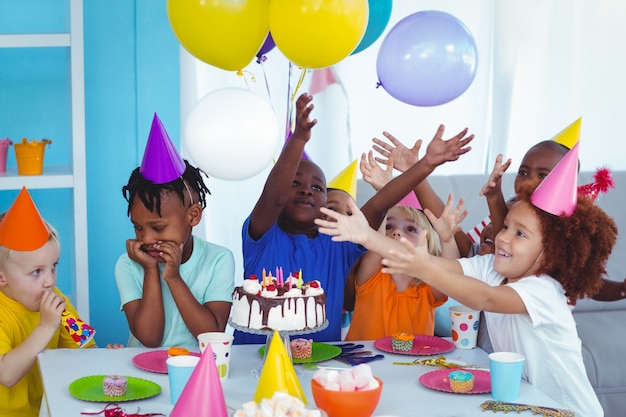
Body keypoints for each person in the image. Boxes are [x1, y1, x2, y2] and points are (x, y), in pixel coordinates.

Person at [372, 145, 615, 417]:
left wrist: (424, 266)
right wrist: (362, 234)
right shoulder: (494, 266)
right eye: (506, 227)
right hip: (530, 405)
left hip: (570, 412)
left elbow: (484, 297)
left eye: (519, 234)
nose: (502, 236)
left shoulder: (543, 290)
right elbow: (450, 267)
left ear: (552, 249)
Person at [236, 92, 474, 344]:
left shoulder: (339, 242)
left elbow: (380, 205)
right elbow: (273, 197)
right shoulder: (262, 237)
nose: (306, 190)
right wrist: (299, 140)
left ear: (326, 204)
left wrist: (426, 164)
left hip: (320, 364)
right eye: (295, 183)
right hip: (252, 362)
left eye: (317, 188)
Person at [115, 114, 234, 348]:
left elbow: (211, 334)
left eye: (158, 227)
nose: (146, 239)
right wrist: (151, 270)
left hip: (197, 370)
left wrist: (173, 277)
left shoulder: (218, 260)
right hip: (142, 370)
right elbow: (150, 338)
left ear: (193, 216)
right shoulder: (128, 265)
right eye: (138, 228)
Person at [0, 188, 98, 417]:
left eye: (54, 266)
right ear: (2, 277)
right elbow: (6, 374)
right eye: (36, 272)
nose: (50, 281)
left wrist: (104, 356)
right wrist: (46, 327)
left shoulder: (59, 302)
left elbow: (87, 347)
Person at [319, 198, 463, 340]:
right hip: (363, 360)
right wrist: (383, 195)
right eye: (389, 226)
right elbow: (375, 241)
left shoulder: (428, 287)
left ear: (428, 241)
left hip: (412, 362)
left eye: (410, 229)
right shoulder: (371, 276)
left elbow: (451, 276)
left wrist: (447, 240)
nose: (396, 233)